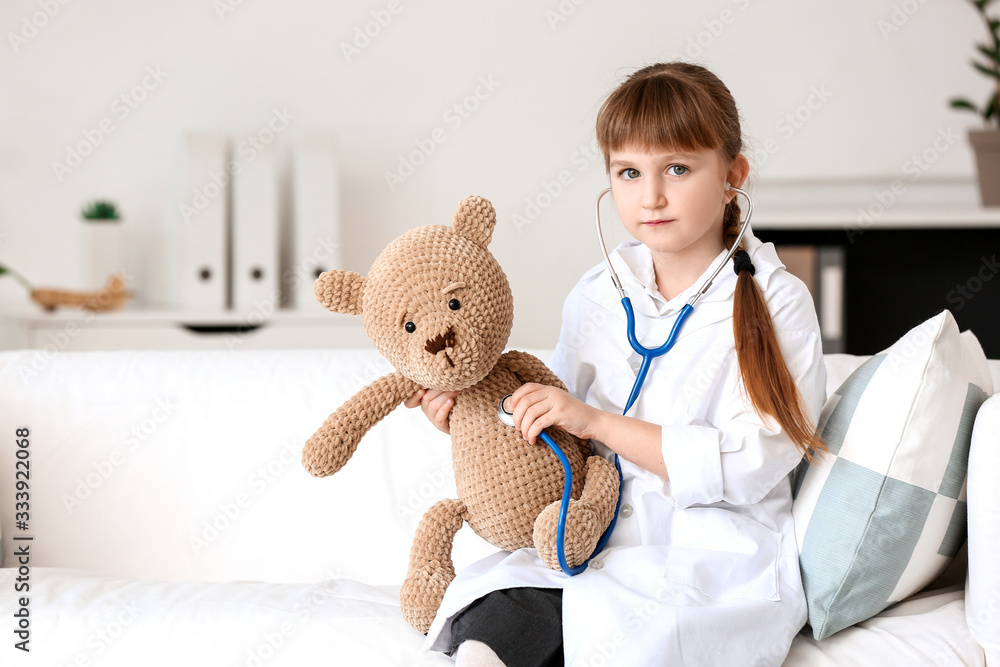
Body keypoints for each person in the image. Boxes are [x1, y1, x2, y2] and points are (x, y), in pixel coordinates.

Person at [404, 61, 827, 667]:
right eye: (629, 172)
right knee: (487, 634)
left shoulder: (778, 300)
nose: (650, 196)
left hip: (706, 561)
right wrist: (470, 416)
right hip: (584, 538)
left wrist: (598, 424)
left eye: (677, 169)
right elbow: (556, 431)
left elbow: (753, 461)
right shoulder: (598, 293)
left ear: (733, 175)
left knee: (630, 639)